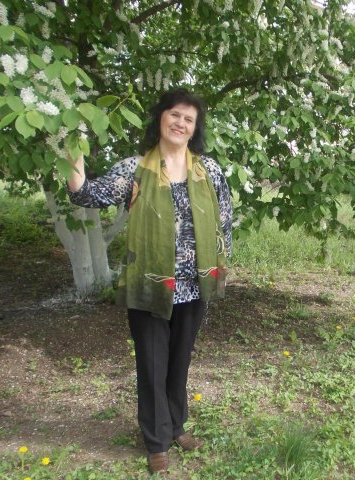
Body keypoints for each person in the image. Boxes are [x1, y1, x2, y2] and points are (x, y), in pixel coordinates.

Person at [66, 88, 232, 474]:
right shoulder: (135, 168)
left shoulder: (209, 170)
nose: (180, 123)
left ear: (195, 129)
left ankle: (176, 427)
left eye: (188, 119)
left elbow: (225, 220)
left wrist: (219, 267)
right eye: (174, 115)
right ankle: (157, 442)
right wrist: (71, 143)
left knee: (179, 361)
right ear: (160, 118)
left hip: (195, 284)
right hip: (150, 283)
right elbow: (86, 195)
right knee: (152, 363)